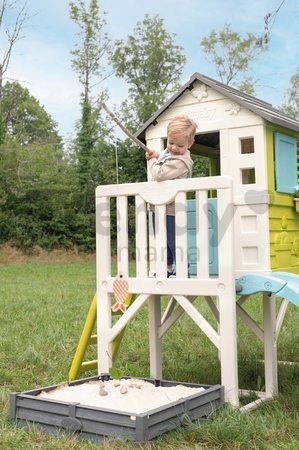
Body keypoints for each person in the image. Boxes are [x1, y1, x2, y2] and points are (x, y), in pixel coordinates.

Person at [146, 114, 197, 277]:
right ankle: (166, 268)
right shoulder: (171, 155)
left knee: (174, 241)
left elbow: (159, 174)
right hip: (159, 207)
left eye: (180, 145)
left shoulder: (182, 162)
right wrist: (156, 156)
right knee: (162, 242)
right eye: (171, 143)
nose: (174, 148)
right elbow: (163, 159)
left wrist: (151, 161)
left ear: (190, 144)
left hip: (172, 209)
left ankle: (183, 269)